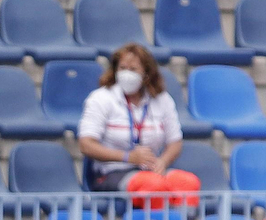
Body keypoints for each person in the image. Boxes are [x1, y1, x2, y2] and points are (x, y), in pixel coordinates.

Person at [77, 42, 199, 209]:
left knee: (188, 183)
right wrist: (127, 157)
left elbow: (175, 142)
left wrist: (162, 162)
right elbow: (86, 145)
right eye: (122, 68)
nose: (127, 74)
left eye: (133, 69)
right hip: (111, 172)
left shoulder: (162, 99)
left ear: (147, 74)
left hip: (150, 170)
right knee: (153, 186)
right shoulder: (101, 98)